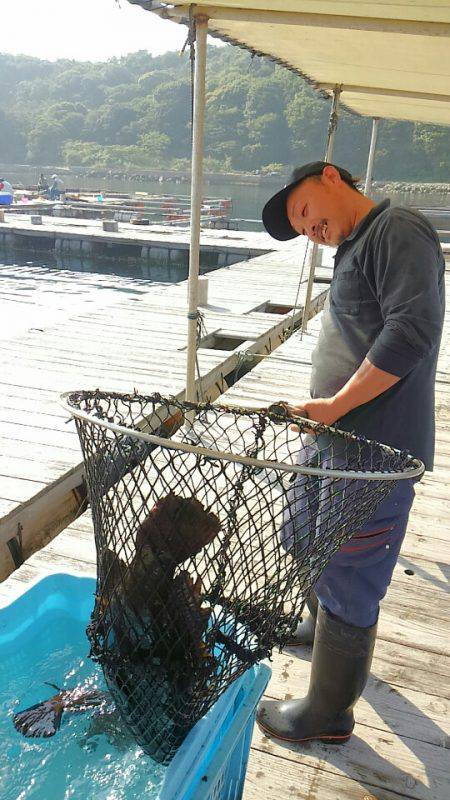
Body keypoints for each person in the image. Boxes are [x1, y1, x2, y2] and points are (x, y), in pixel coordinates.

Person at [256, 161, 445, 745]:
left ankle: (328, 712)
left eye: (304, 211)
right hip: (330, 437)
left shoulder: (396, 229)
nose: (308, 229)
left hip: (374, 452)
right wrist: (325, 414)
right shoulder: (352, 246)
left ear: (331, 178)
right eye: (300, 229)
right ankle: (318, 628)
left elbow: (411, 330)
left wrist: (336, 405)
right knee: (301, 535)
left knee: (349, 571)